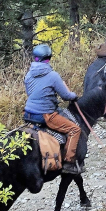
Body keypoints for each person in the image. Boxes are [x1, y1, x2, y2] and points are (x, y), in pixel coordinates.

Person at [23, 44, 82, 175]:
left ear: (35, 58)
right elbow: (66, 96)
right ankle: (69, 163)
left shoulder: (28, 75)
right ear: (48, 59)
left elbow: (29, 93)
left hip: (28, 114)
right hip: (45, 114)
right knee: (75, 130)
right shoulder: (53, 75)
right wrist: (74, 95)